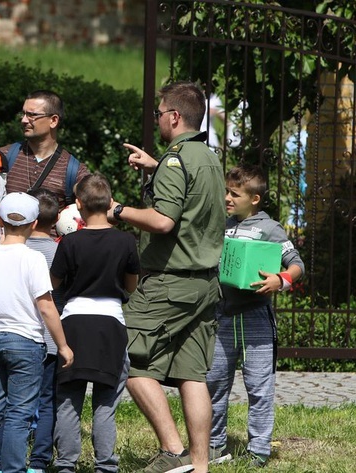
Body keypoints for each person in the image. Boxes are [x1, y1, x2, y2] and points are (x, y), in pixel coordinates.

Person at [108, 81, 226, 473]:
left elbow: (162, 221)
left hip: (169, 283)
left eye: (159, 113)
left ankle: (172, 451)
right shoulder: (208, 158)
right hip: (204, 283)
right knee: (192, 375)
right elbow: (192, 199)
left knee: (121, 355)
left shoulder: (176, 160)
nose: (156, 119)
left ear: (174, 116)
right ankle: (200, 466)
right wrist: (155, 167)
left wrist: (119, 209)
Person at [207, 165, 305, 468]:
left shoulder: (270, 229)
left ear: (256, 199)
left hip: (256, 320)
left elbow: (297, 264)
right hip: (222, 318)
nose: (227, 198)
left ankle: (259, 450)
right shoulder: (223, 224)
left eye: (235, 194)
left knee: (259, 387)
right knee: (214, 384)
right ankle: (214, 445)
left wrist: (281, 280)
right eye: (226, 192)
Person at [0, 192, 74, 473]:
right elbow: (47, 307)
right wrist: (63, 345)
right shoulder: (34, 259)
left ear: (0, 221)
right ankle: (13, 469)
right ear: (35, 223)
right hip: (26, 342)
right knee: (18, 414)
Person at [50, 174, 140, 473]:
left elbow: (53, 283)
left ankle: (66, 465)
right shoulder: (127, 241)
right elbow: (131, 286)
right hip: (110, 325)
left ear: (78, 204)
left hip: (74, 322)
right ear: (109, 202)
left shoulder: (69, 242)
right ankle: (106, 466)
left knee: (68, 401)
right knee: (105, 402)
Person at [23, 188, 63, 473]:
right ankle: (39, 460)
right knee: (48, 400)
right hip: (50, 338)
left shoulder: (15, 249)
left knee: (15, 400)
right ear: (57, 218)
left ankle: (5, 456)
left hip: (21, 336)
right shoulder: (61, 251)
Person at [1, 90, 89, 211]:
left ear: (53, 120)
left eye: (32, 115)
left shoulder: (73, 170)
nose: (24, 120)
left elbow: (98, 205)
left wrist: (120, 211)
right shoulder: (4, 156)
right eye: (24, 114)